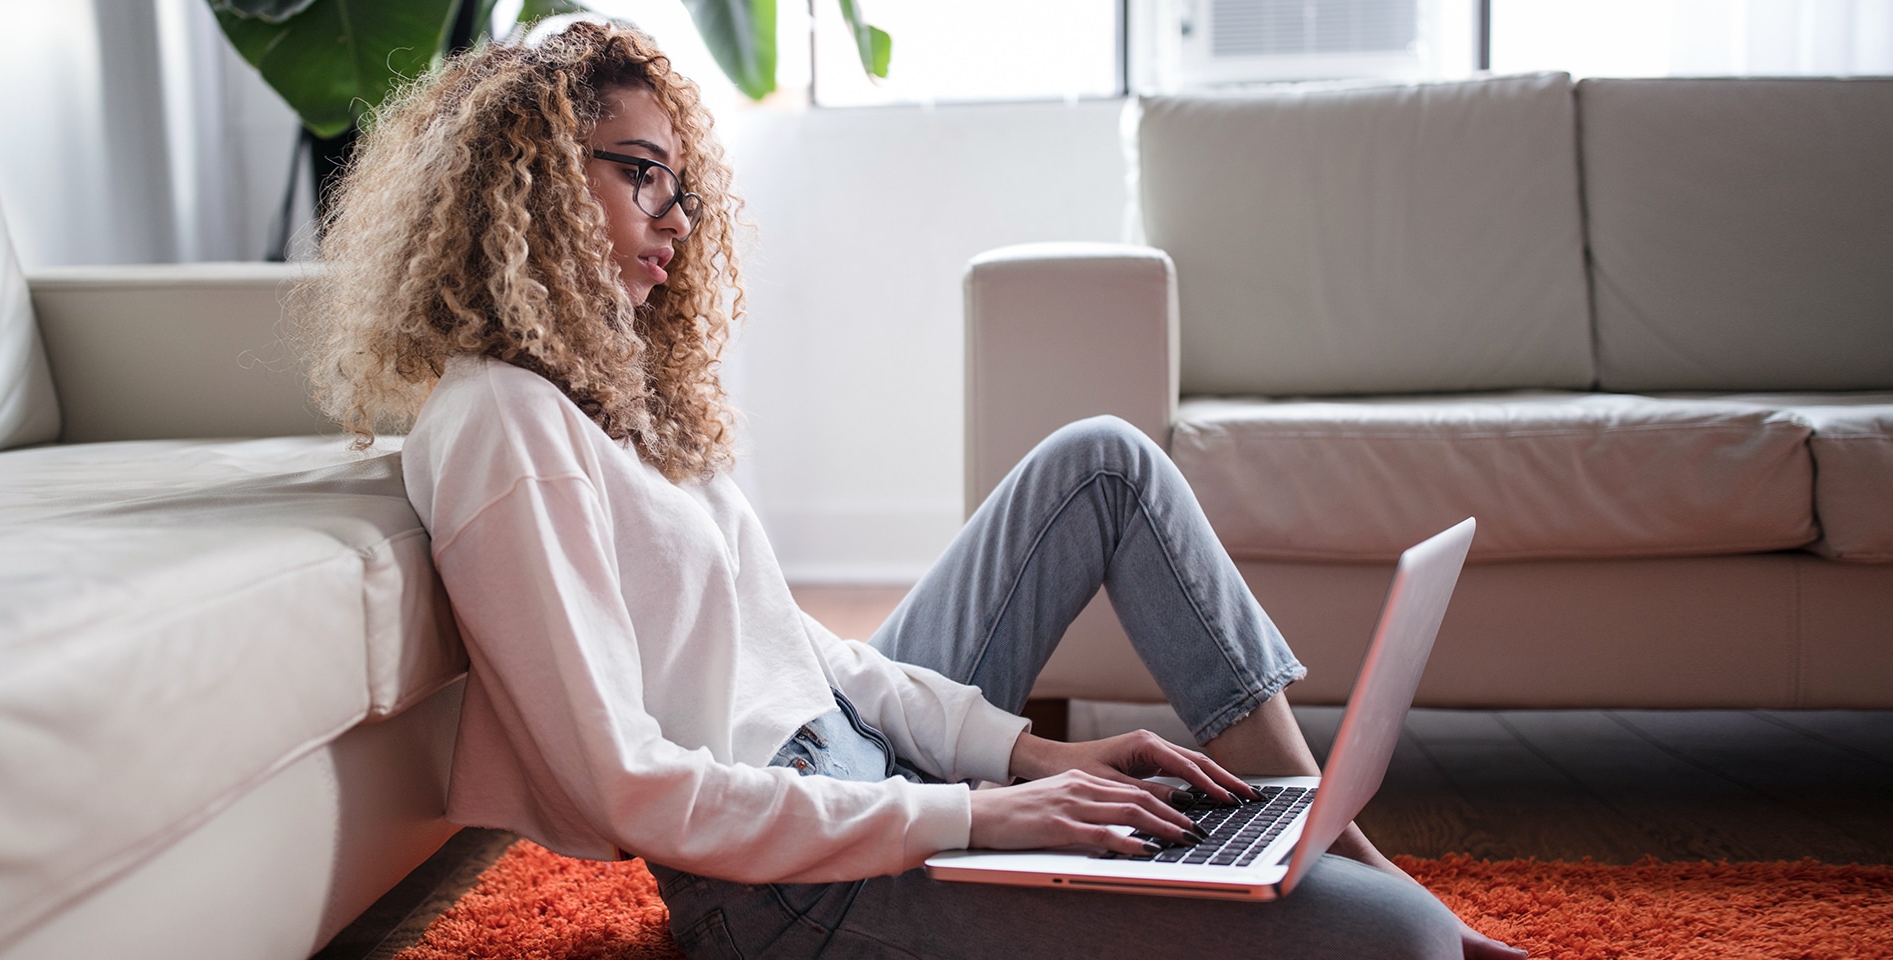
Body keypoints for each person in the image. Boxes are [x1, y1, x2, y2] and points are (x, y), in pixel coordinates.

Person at [302, 20, 1523, 960]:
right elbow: (620, 783)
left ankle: (1317, 833)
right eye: (641, 174)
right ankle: (1354, 884)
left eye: (683, 182)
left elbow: (808, 655)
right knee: (1397, 947)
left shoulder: (620, 400)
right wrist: (973, 819)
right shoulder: (499, 425)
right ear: (529, 184)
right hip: (784, 889)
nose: (677, 218)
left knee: (1103, 459)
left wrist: (1017, 756)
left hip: (863, 772)